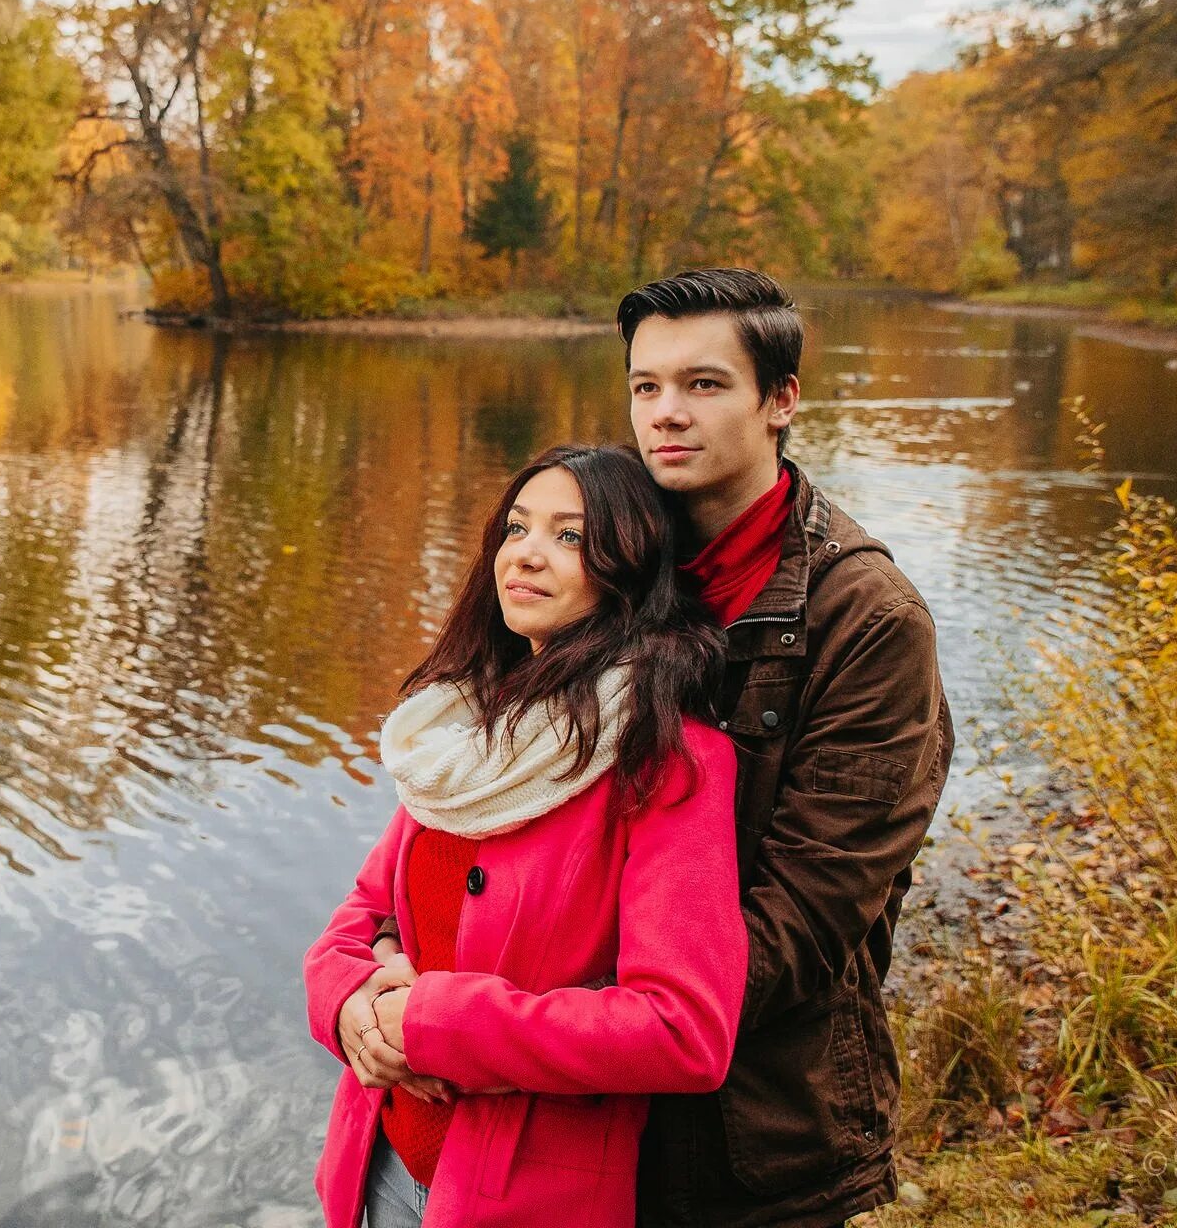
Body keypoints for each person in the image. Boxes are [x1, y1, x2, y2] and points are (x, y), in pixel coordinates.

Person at [342, 269, 952, 1228]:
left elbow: (811, 914)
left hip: (749, 1131)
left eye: (704, 385)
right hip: (552, 1120)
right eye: (645, 386)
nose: (666, 413)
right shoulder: (614, 550)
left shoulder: (865, 619)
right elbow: (492, 809)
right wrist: (395, 967)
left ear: (782, 398)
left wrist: (513, 1025)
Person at [303, 443, 748, 1228]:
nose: (528, 556)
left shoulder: (667, 761)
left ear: (629, 568)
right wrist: (350, 1010)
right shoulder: (470, 731)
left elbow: (685, 1029)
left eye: (569, 538)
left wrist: (443, 1023)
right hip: (381, 1159)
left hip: (520, 1193)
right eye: (517, 528)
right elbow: (360, 918)